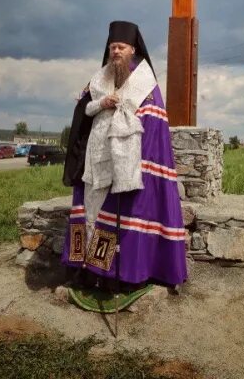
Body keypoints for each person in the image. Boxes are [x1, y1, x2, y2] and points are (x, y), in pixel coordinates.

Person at [62, 20, 187, 287]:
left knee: (116, 219)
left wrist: (130, 155)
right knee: (91, 214)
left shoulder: (145, 82)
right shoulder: (98, 79)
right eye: (112, 47)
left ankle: (115, 276)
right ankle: (87, 270)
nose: (116, 51)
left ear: (133, 49)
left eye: (121, 46)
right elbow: (82, 111)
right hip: (94, 159)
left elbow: (153, 126)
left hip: (125, 161)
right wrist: (101, 104)